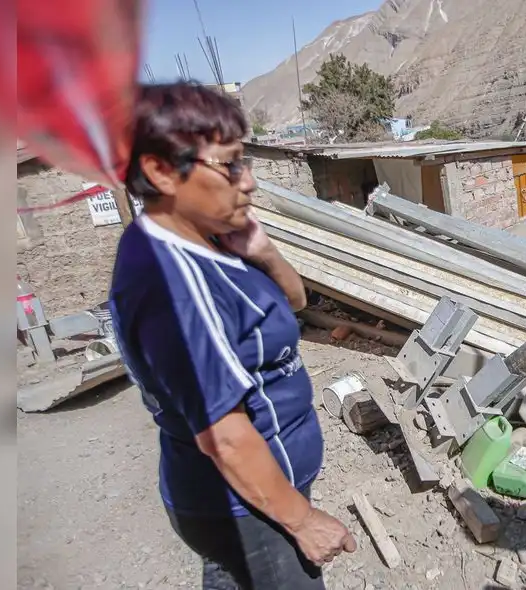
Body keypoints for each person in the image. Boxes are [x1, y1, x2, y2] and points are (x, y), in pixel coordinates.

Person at [109, 82, 356, 590]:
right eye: (231, 164)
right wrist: (302, 521)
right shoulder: (174, 288)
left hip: (259, 493)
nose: (250, 182)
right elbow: (224, 435)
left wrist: (263, 252)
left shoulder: (207, 240)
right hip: (244, 508)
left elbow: (293, 305)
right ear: (160, 171)